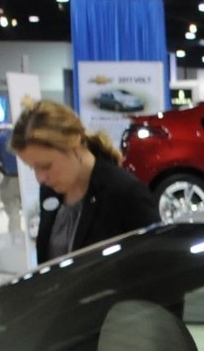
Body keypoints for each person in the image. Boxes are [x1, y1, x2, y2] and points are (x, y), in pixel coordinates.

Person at [12, 99, 157, 259]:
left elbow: (156, 269)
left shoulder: (126, 194)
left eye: (46, 166)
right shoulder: (50, 190)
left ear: (74, 147)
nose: (40, 178)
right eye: (33, 168)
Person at [0, 115, 24, 245]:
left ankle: (15, 241)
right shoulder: (29, 135)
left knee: (13, 212)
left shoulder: (2, 138)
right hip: (30, 179)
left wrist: (2, 170)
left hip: (11, 178)